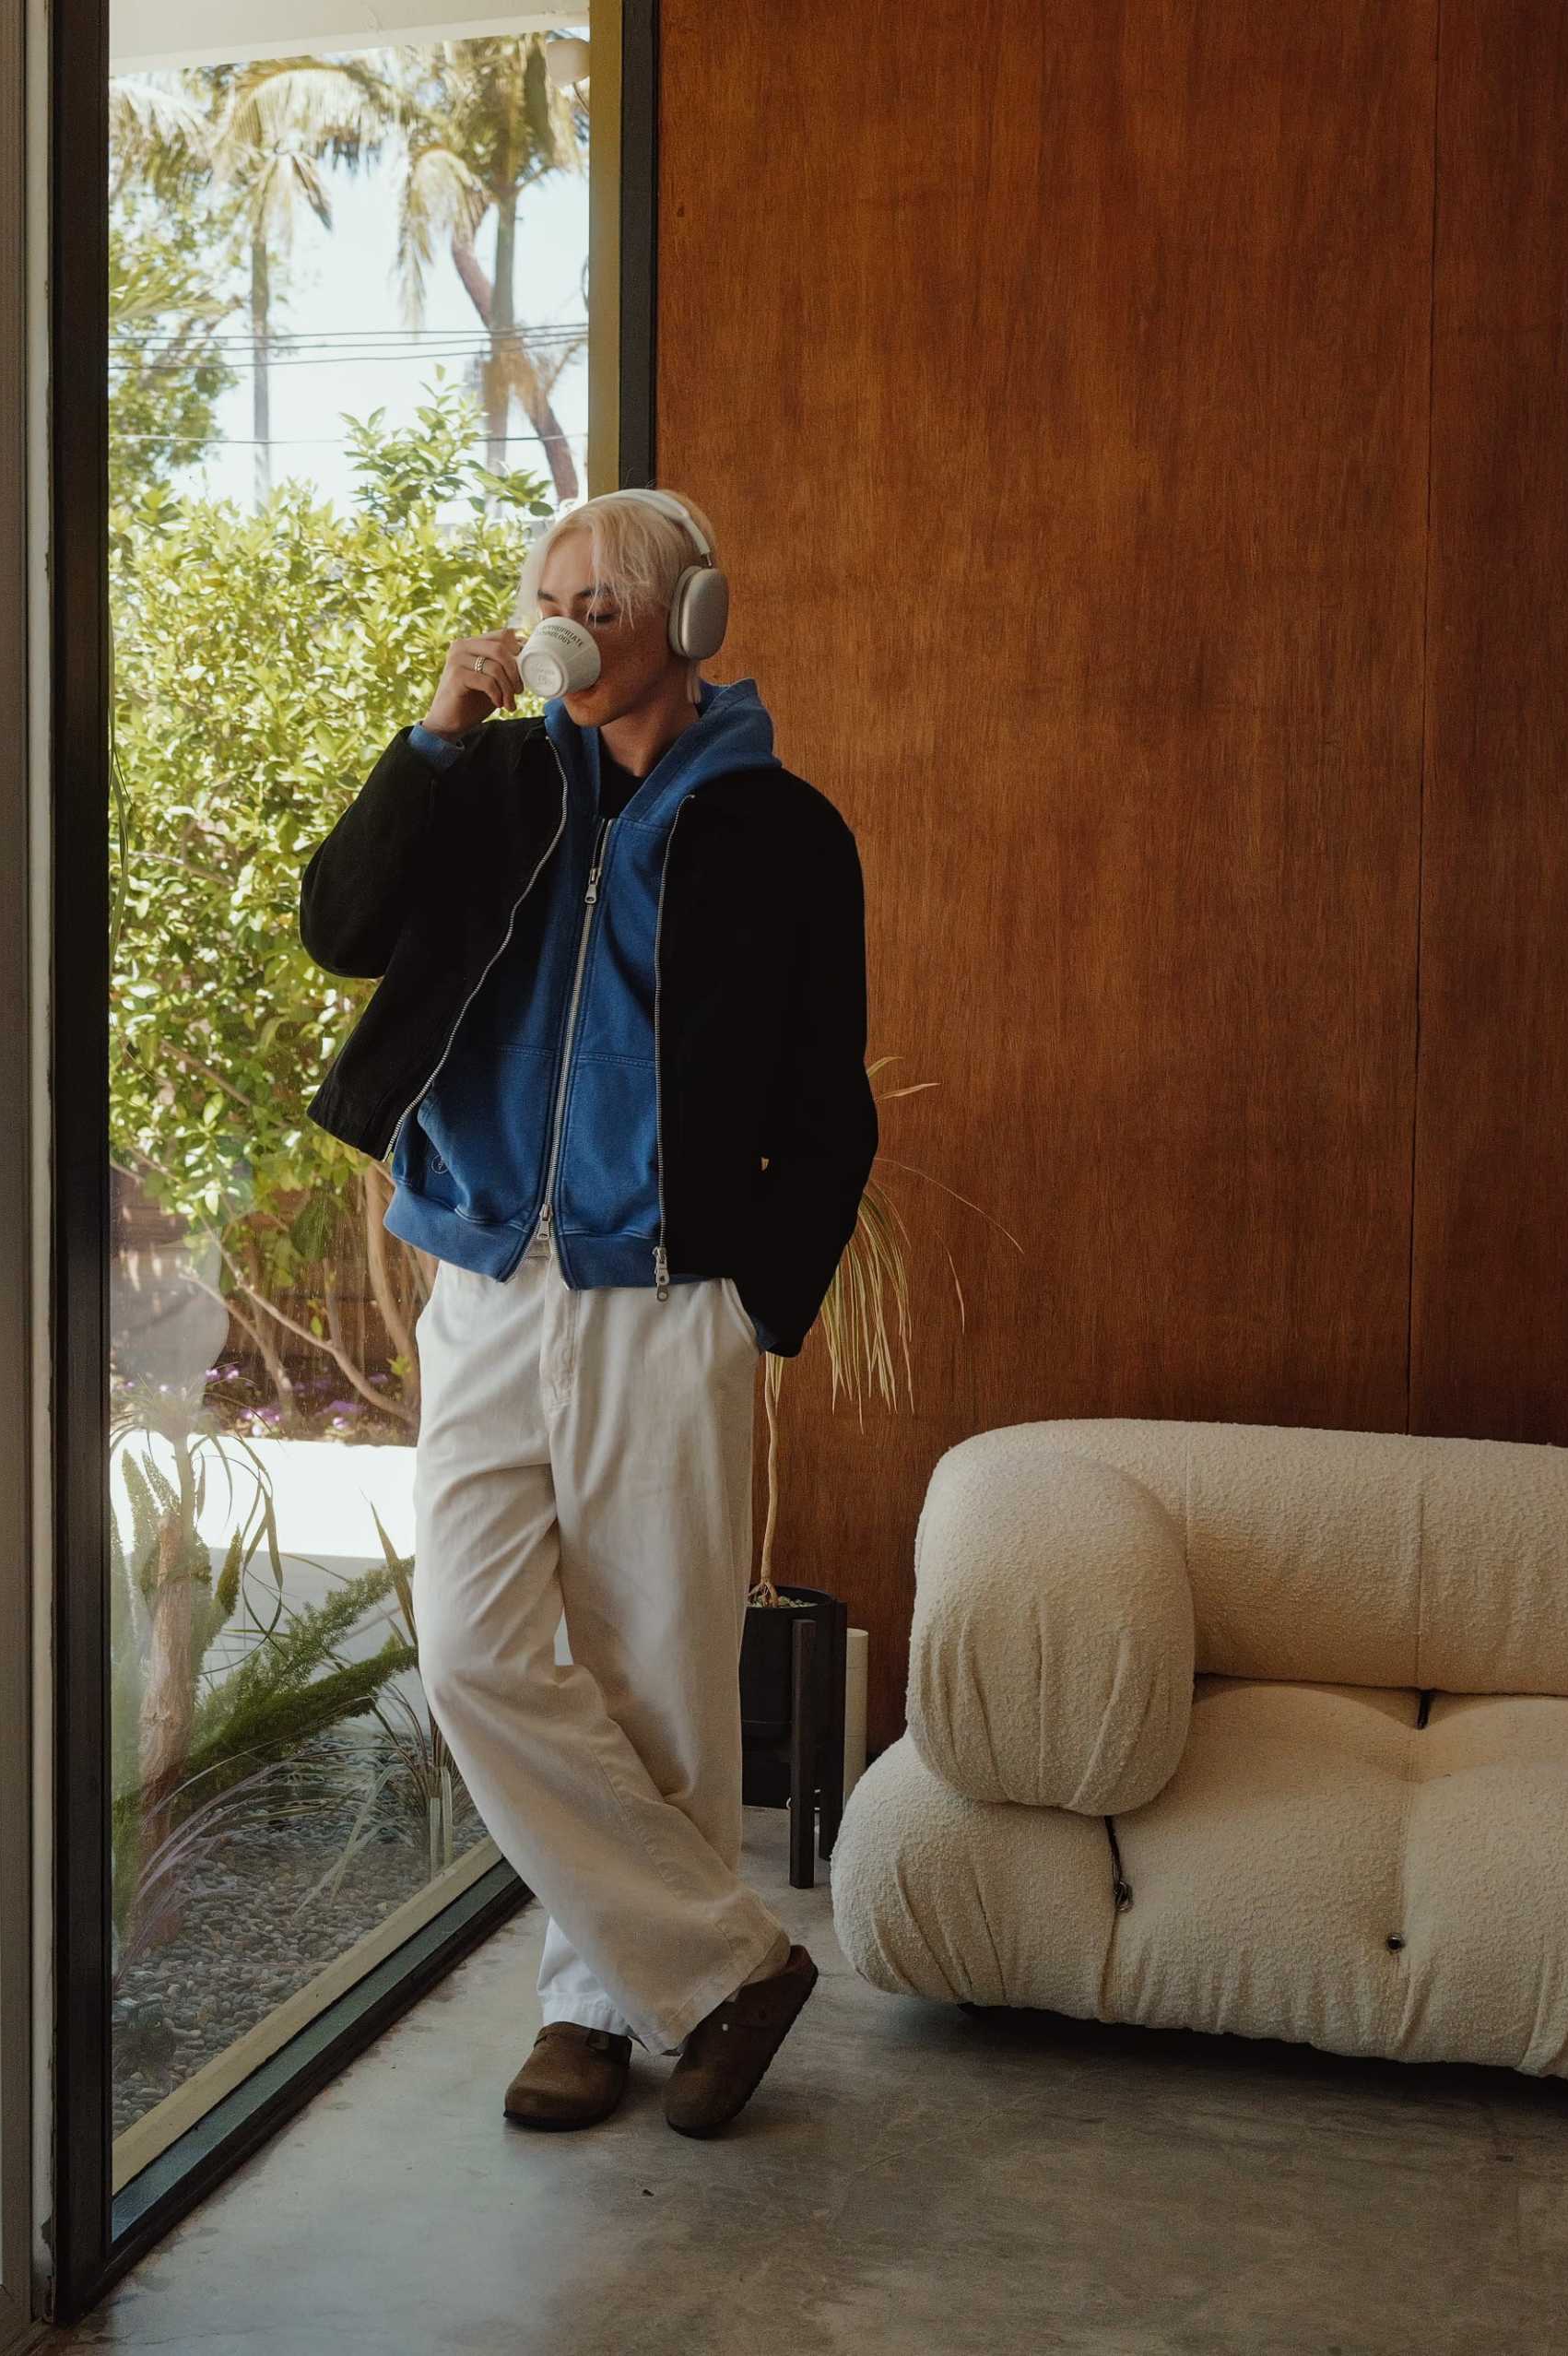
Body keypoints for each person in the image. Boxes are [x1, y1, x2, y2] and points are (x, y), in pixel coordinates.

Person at [296, 486, 878, 2136]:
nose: (568, 631)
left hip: (667, 1294)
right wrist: (437, 732)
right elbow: (341, 928)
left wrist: (759, 1298)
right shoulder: (487, 785)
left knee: (657, 1670)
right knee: (475, 1655)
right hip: (485, 1275)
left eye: (602, 605)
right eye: (552, 601)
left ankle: (594, 2012)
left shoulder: (782, 831)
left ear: (690, 623)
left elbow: (827, 1095)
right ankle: (727, 1969)